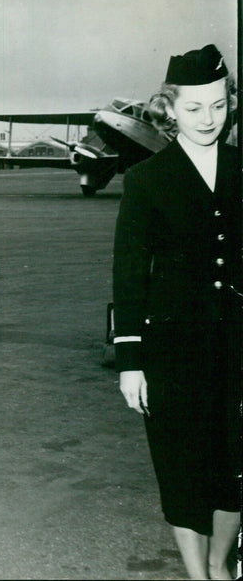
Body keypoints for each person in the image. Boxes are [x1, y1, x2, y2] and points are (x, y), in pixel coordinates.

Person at [113, 44, 241, 580]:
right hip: (172, 353)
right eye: (194, 108)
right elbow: (127, 274)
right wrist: (130, 362)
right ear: (170, 108)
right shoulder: (147, 180)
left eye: (218, 105)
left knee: (235, 468)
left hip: (237, 347)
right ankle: (199, 576)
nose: (208, 119)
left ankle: (220, 563)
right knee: (182, 470)